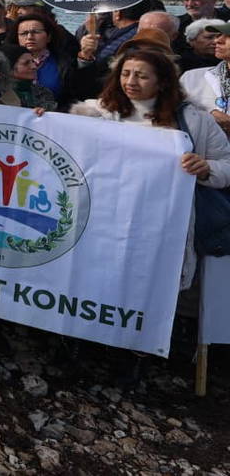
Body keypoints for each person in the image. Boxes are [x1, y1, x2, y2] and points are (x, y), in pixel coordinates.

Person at [71, 45, 230, 385]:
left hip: (164, 225)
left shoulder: (194, 119)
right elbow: (64, 138)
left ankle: (136, 358)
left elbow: (227, 164)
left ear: (162, 82)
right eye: (126, 74)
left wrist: (205, 168)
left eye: (142, 76)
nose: (132, 82)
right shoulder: (98, 112)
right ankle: (89, 347)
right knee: (101, 279)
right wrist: (41, 118)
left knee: (152, 286)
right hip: (106, 219)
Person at [179, 21, 230, 138]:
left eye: (228, 36)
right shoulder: (191, 78)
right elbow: (174, 113)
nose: (218, 41)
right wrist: (208, 115)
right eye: (219, 35)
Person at [0, 44, 58, 111]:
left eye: (33, 61)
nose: (34, 66)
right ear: (9, 68)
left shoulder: (43, 92)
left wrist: (43, 113)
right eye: (26, 63)